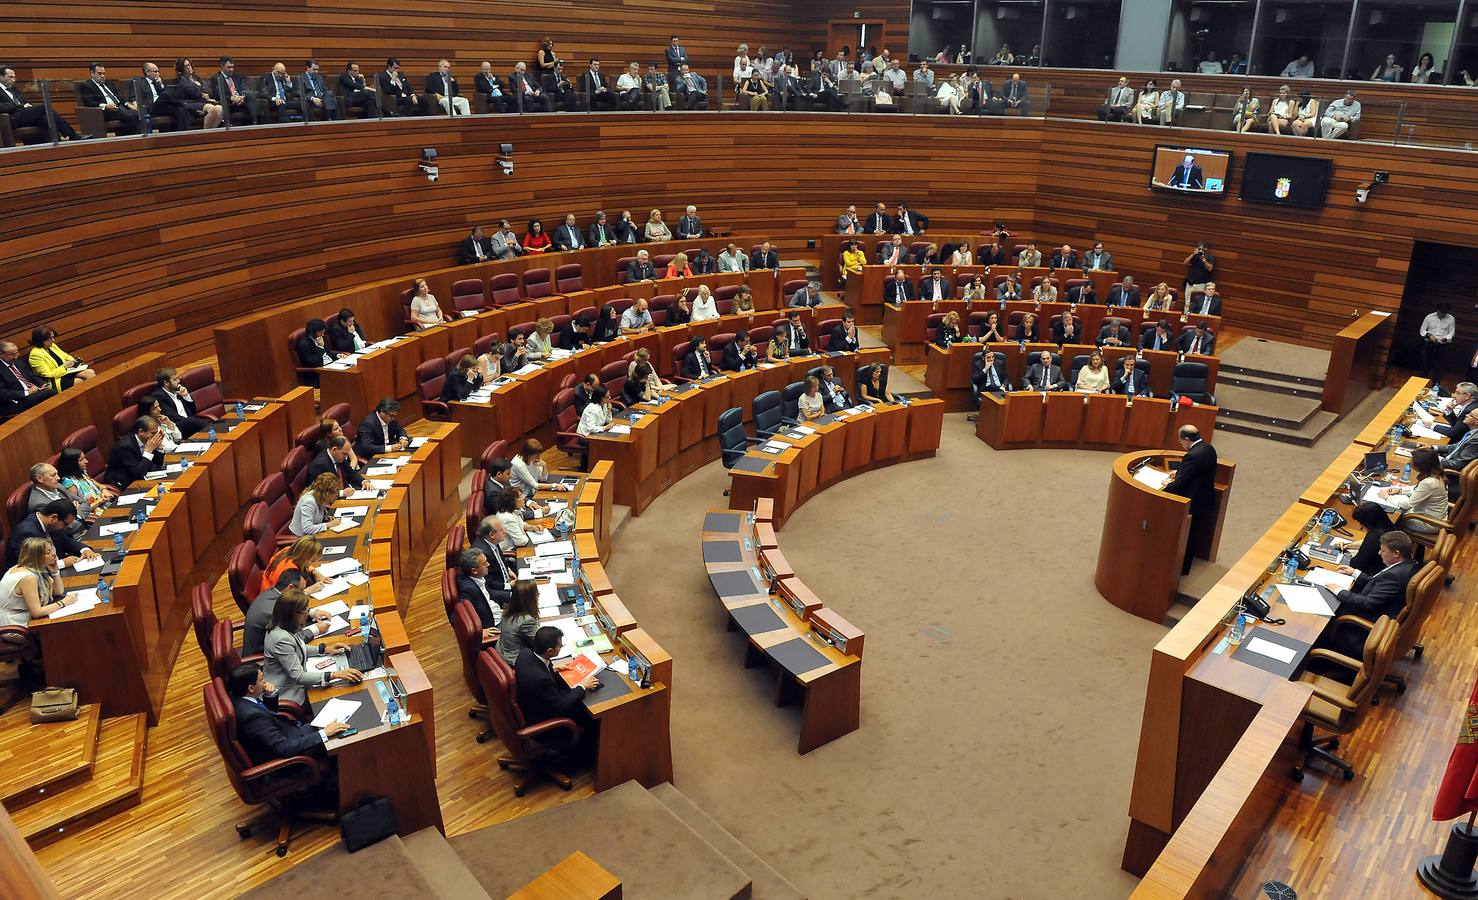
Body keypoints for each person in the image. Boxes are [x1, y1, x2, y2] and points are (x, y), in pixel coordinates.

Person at [227, 662, 351, 768]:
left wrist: (269, 696)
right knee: (346, 739)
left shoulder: (239, 697)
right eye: (261, 680)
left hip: (291, 733)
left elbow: (269, 717)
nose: (265, 681)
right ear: (251, 688)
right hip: (293, 755)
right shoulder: (252, 718)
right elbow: (284, 748)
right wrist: (324, 733)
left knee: (333, 720)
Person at [263, 587, 363, 712]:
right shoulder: (280, 639)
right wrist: (335, 675)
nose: (307, 613)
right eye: (304, 610)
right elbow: (299, 676)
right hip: (289, 694)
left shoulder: (282, 626)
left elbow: (297, 647)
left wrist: (324, 649)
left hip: (299, 684)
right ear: (291, 614)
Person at [1323, 531, 1420, 657]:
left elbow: (1368, 603)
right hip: (1384, 613)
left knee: (1324, 616)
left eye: (1383, 551)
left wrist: (1339, 591)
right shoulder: (1410, 565)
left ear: (1396, 553)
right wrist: (1355, 573)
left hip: (1364, 626)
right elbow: (1379, 584)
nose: (1379, 553)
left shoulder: (1394, 576)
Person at [514, 624, 600, 734]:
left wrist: (553, 668)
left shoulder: (525, 653)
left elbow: (535, 669)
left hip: (531, 702)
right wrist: (582, 686)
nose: (562, 646)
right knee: (590, 715)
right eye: (560, 646)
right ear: (550, 651)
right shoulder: (542, 680)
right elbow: (562, 707)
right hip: (544, 720)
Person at [1164, 425, 1217, 574]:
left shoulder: (1192, 455)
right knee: (1192, 535)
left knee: (1186, 537)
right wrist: (1180, 471)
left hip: (1192, 502)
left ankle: (1182, 569)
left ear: (1187, 439)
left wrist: (1166, 485)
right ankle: (1185, 566)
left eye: (1181, 441)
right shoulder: (1208, 448)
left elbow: (1180, 484)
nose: (1181, 444)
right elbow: (1198, 471)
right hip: (1204, 499)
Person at [1, 537, 76, 626]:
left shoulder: (34, 568)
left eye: (52, 550)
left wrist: (55, 572)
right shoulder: (28, 577)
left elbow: (58, 592)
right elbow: (37, 612)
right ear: (36, 556)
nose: (54, 554)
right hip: (14, 624)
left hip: (25, 617)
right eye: (48, 552)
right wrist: (64, 602)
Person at [0, 66, 87, 140]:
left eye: (14, 77)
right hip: (12, 119)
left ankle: (57, 146)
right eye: (10, 77)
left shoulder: (14, 89)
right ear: (1, 77)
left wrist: (28, 105)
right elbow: (2, 107)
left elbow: (25, 102)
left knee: (46, 119)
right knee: (43, 107)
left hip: (25, 116)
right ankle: (72, 134)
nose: (14, 80)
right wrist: (19, 106)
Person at [1380, 448, 1447, 534]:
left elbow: (1407, 505)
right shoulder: (1436, 473)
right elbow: (1416, 489)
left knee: (1390, 519)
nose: (1409, 462)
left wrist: (1386, 497)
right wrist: (1399, 491)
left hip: (1428, 522)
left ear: (1422, 465)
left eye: (1412, 461)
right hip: (1432, 516)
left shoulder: (1429, 482)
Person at [103, 416, 166, 488]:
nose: (155, 436)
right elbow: (139, 472)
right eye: (153, 433)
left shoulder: (147, 440)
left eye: (156, 433)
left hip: (139, 479)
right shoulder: (125, 447)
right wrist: (148, 451)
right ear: (141, 432)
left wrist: (159, 446)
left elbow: (158, 464)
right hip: (121, 485)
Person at [79, 62, 140, 135]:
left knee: (138, 113)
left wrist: (129, 104)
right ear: (92, 73)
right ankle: (134, 139)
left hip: (119, 107)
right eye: (99, 73)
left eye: (104, 74)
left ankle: (132, 137)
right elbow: (89, 103)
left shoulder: (109, 84)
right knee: (130, 116)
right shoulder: (86, 86)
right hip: (105, 111)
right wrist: (105, 106)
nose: (102, 76)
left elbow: (119, 98)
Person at [26, 327, 94, 392]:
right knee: (80, 382)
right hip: (55, 381)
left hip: (67, 373)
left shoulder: (52, 346)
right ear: (42, 339)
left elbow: (65, 356)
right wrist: (64, 367)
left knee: (90, 372)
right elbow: (48, 375)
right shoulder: (35, 355)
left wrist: (74, 360)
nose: (53, 340)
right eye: (51, 338)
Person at [0, 340, 55, 415]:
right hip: (16, 401)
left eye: (17, 353)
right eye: (12, 354)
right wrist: (27, 392)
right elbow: (3, 393)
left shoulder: (19, 362)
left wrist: (42, 384)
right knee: (51, 393)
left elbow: (32, 376)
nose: (16, 357)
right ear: (1, 354)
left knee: (49, 392)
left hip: (34, 392)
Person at [152, 366, 209, 438]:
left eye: (178, 378)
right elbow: (173, 417)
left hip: (192, 424)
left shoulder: (176, 389)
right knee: (198, 423)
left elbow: (193, 411)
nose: (178, 381)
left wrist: (186, 396)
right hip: (178, 428)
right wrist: (192, 421)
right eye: (175, 379)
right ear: (166, 382)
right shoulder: (159, 396)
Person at [262, 536, 328, 590]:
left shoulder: (288, 550)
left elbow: (304, 565)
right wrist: (309, 590)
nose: (311, 564)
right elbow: (287, 597)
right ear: (302, 556)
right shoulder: (289, 573)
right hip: (274, 601)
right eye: (312, 561)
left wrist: (314, 571)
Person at [289, 472, 342, 537]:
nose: (335, 496)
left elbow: (315, 515)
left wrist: (325, 517)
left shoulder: (319, 495)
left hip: (313, 534)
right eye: (334, 493)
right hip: (301, 539)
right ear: (327, 493)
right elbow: (307, 529)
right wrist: (329, 524)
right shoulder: (309, 502)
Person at [1420, 304, 1456, 381]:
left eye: (1444, 313)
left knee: (1438, 368)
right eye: (1440, 312)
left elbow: (1451, 333)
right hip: (1429, 344)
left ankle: (1435, 388)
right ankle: (1421, 385)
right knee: (1425, 365)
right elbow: (1422, 330)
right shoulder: (1429, 317)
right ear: (1437, 310)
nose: (1442, 314)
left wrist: (1445, 338)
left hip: (1442, 345)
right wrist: (1429, 335)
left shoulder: (1451, 319)